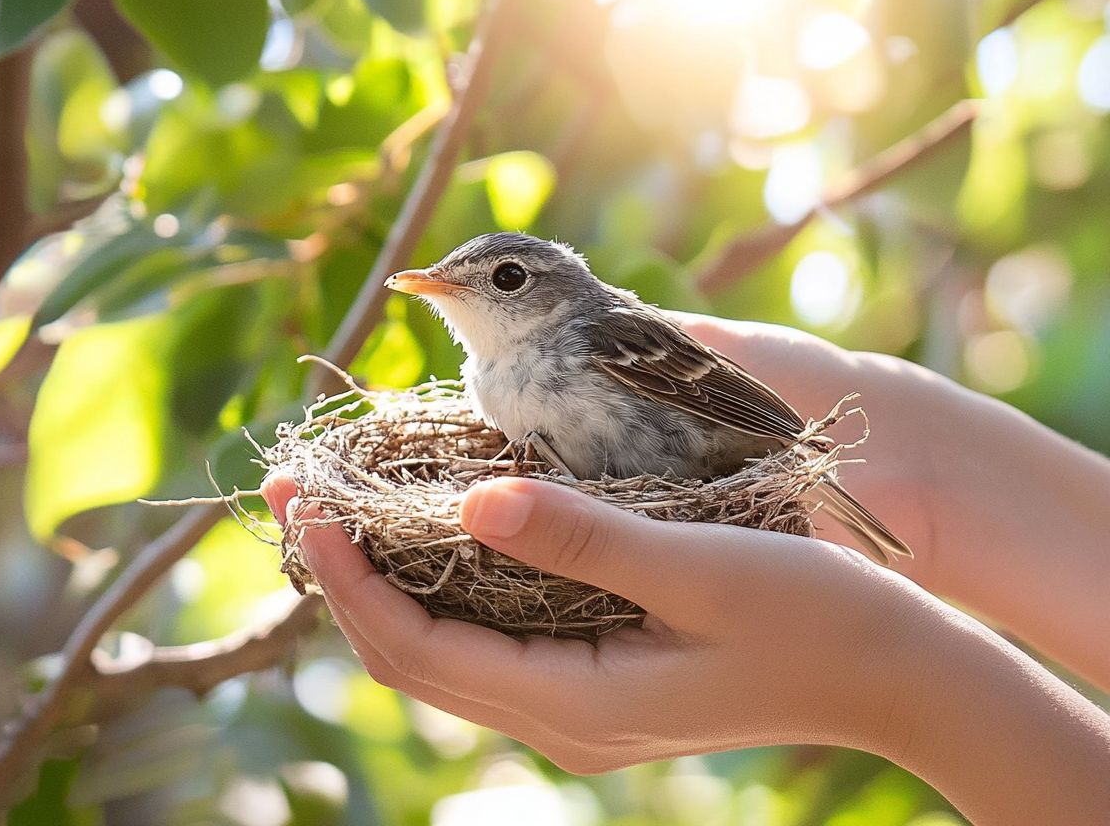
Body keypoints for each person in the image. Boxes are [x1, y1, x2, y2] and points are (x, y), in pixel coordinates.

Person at [261, 313, 1110, 825]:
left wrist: (900, 681)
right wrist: (918, 459)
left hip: (723, 438)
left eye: (507, 279)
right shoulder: (496, 378)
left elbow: (713, 404)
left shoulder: (594, 337)